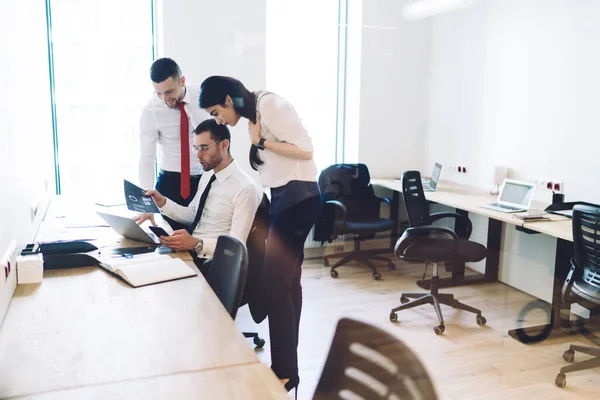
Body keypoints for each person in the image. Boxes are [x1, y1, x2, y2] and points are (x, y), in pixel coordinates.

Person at [199, 76, 322, 394]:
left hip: (300, 200)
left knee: (274, 283)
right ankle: (289, 371)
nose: (218, 120)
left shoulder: (270, 105)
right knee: (288, 283)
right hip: (285, 199)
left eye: (216, 112)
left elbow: (306, 151)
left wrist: (261, 142)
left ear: (229, 100)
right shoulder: (255, 115)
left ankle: (284, 372)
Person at [145, 118, 261, 274]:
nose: (198, 155)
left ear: (224, 145)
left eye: (204, 148)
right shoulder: (208, 175)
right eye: (196, 148)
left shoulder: (245, 188)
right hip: (190, 255)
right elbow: (193, 215)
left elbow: (236, 246)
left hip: (213, 264)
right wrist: (163, 203)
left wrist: (196, 243)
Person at [135, 58, 208, 230]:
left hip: (203, 180)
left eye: (169, 92)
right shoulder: (151, 110)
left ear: (182, 81)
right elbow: (146, 158)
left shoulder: (203, 97)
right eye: (158, 93)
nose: (164, 99)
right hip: (170, 183)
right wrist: (146, 204)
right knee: (172, 242)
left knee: (203, 236)